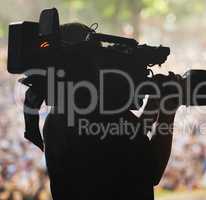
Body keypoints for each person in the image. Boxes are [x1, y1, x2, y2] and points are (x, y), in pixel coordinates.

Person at [41, 23, 179, 200]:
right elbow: (152, 170)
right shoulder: (102, 113)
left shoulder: (59, 115)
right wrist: (168, 112)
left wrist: (152, 107)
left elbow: (126, 140)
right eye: (98, 53)